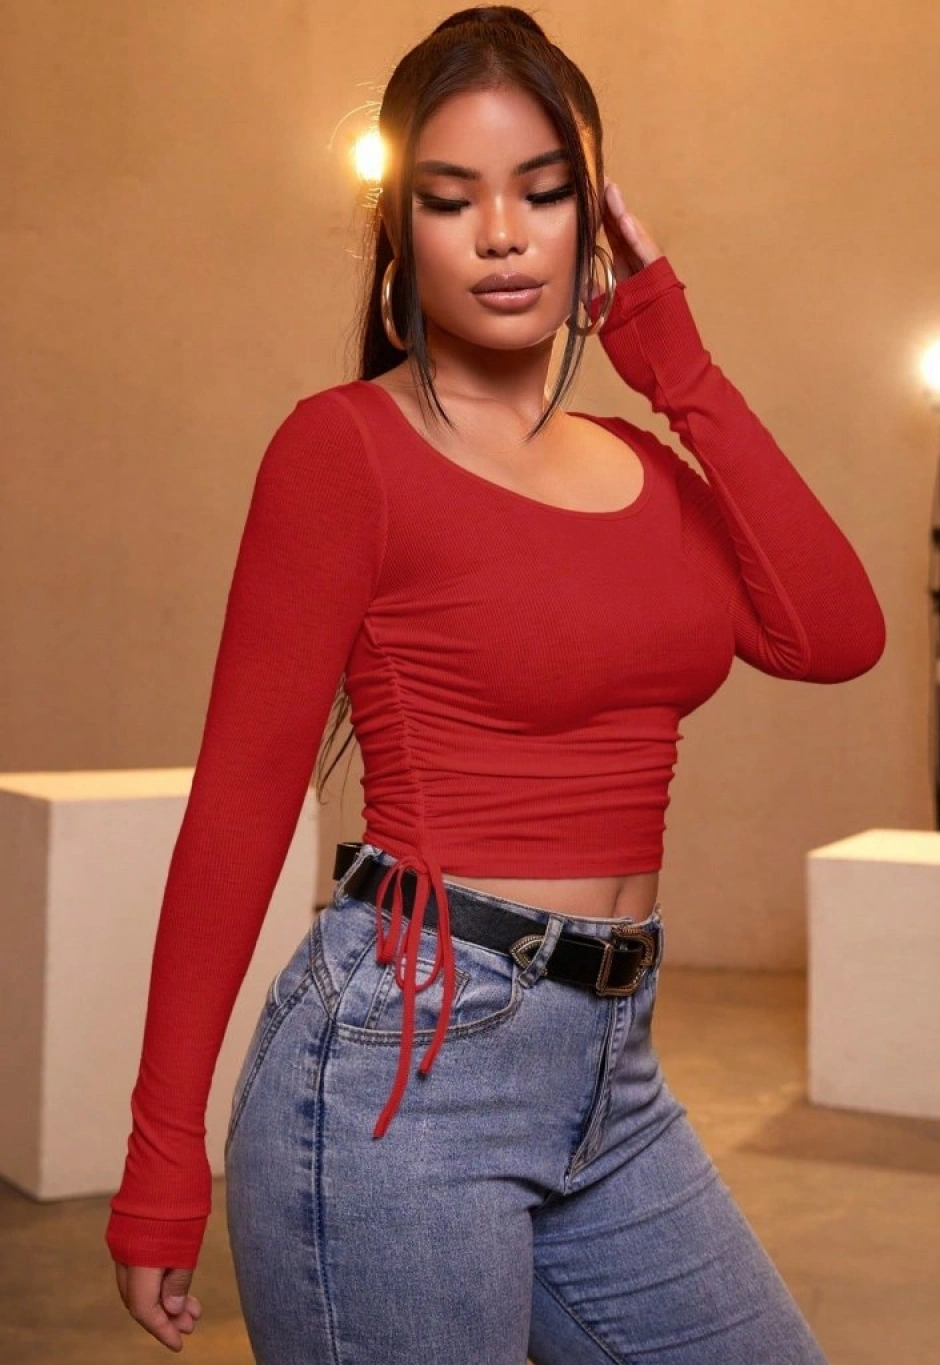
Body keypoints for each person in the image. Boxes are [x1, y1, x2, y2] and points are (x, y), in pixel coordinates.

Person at [107, 6, 885, 1361]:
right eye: (452, 198)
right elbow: (239, 807)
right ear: (399, 230)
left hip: (614, 1074)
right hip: (402, 1070)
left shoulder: (647, 467)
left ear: (597, 215)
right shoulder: (344, 452)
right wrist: (162, 1156)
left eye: (543, 190)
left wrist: (677, 360)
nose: (504, 235)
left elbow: (836, 632)